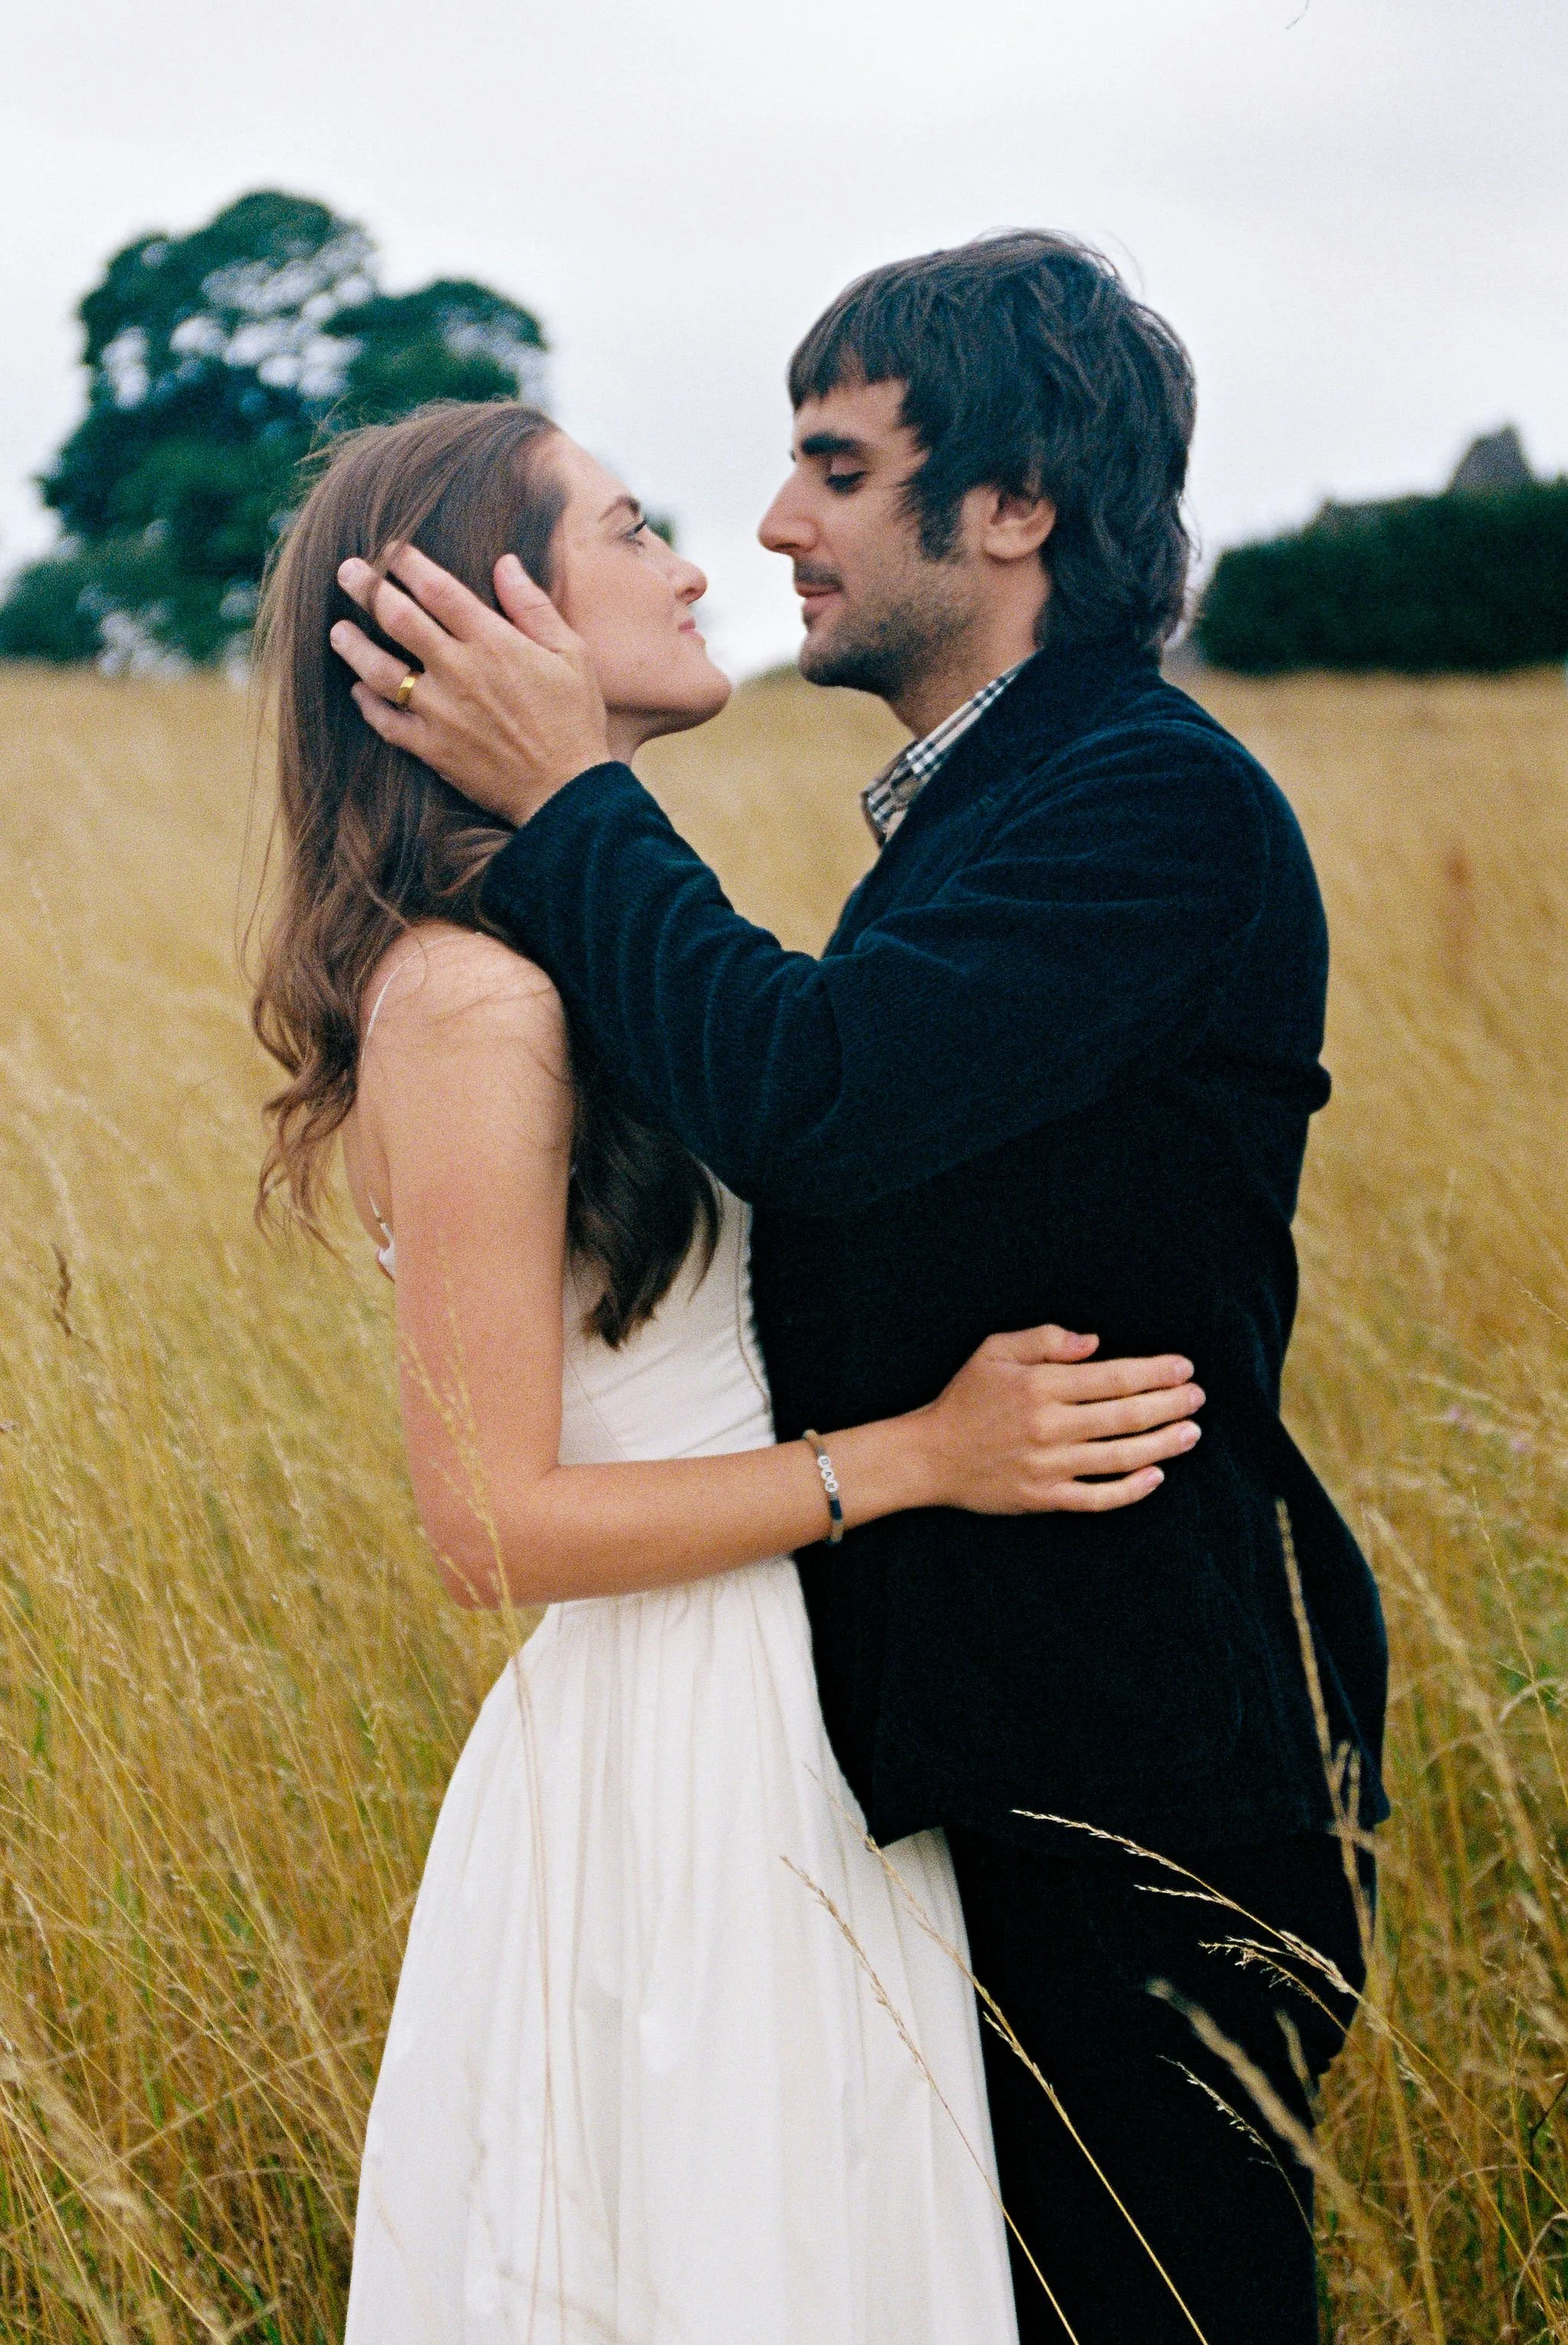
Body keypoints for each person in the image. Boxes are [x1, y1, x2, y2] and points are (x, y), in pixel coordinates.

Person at [333, 232, 1392, 2343]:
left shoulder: (1148, 803)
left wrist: (569, 794)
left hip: (1133, 1777)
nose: (772, 525)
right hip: (903, 1781)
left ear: (1012, 507)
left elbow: (810, 1101)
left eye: (833, 465)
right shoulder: (970, 824)